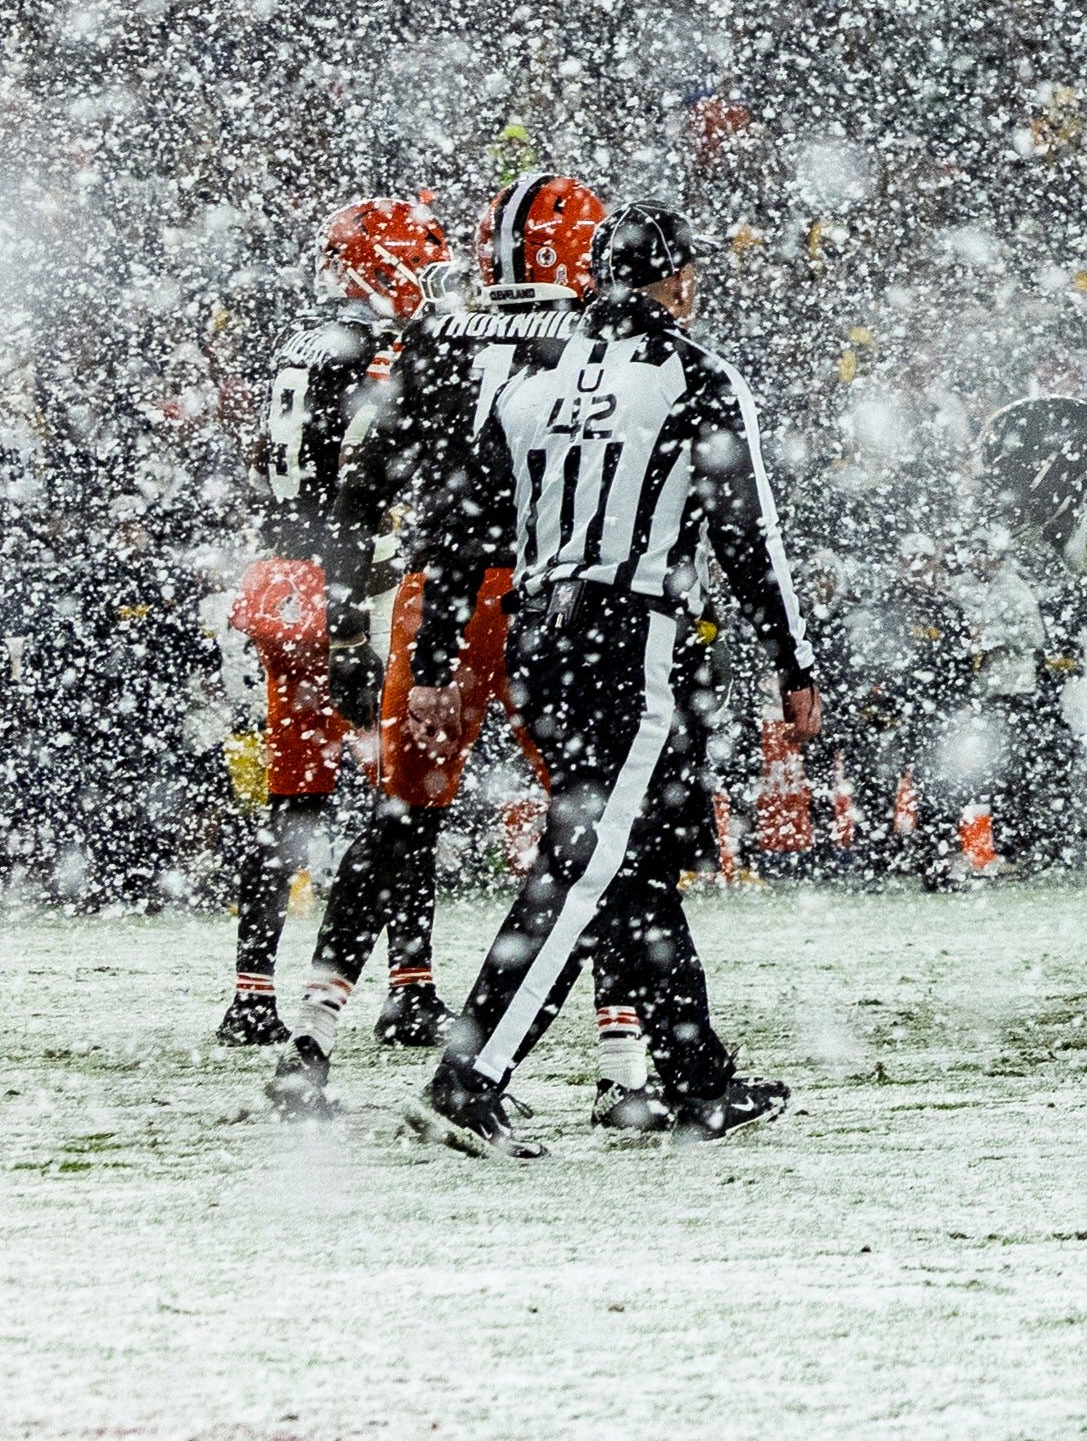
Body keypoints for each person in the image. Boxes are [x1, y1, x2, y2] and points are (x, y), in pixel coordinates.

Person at [407, 205, 823, 1156]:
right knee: (593, 860)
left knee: (632, 865)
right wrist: (793, 662)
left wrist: (434, 659)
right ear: (676, 277)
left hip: (538, 635)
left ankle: (695, 1080)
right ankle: (468, 1079)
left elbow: (461, 525)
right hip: (630, 629)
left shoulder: (531, 371)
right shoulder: (697, 373)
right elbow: (747, 534)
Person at [284, 172, 635, 1117]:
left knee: (401, 816)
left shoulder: (438, 333)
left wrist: (364, 605)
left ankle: (308, 1041)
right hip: (549, 595)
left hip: (432, 590)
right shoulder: (595, 339)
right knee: (593, 828)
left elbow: (363, 474)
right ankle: (624, 1067)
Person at [219, 197, 439, 1047]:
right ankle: (409, 984)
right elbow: (364, 479)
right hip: (348, 581)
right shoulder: (374, 348)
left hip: (282, 576)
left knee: (294, 801)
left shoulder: (301, 341)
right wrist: (354, 598)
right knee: (404, 793)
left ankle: (249, 991)